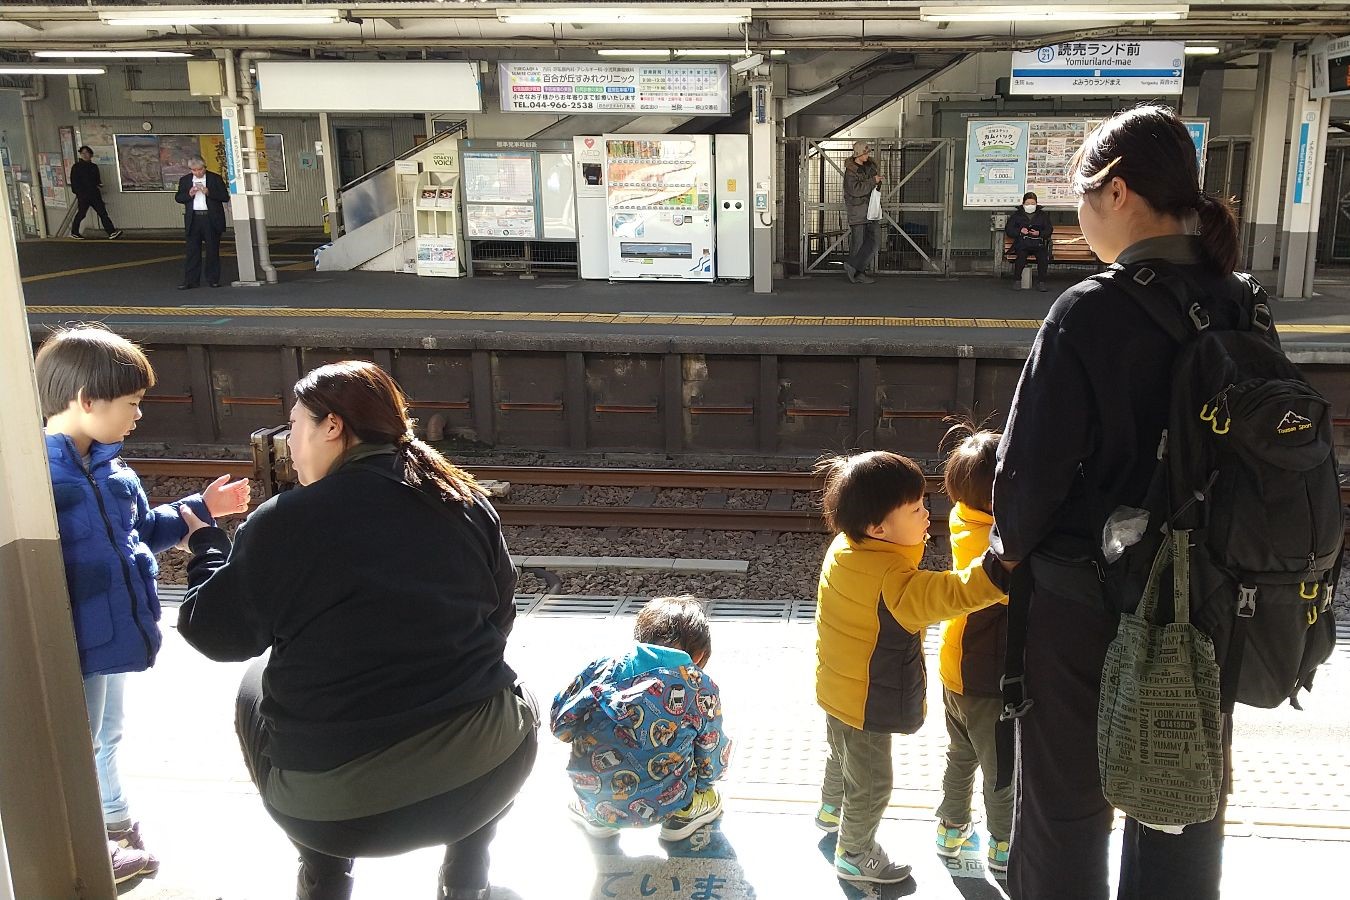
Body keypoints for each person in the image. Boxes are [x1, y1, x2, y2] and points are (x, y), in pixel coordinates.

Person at [991, 104, 1251, 900]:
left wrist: (1008, 553)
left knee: (1067, 805)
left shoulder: (1090, 310)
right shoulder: (1242, 299)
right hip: (1210, 602)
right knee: (1181, 799)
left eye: (1081, 194)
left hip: (1089, 608)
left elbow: (1025, 479)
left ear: (1118, 191)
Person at [173, 360, 536, 900]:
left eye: (295, 425)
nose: (290, 442)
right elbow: (500, 615)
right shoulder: (461, 500)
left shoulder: (283, 521)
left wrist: (207, 548)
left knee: (256, 680)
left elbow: (215, 633)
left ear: (333, 426)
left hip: (338, 817)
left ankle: (324, 879)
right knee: (502, 691)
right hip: (486, 779)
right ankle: (466, 881)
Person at [35, 324, 250, 884]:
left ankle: (113, 822)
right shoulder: (38, 481)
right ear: (87, 401)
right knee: (78, 743)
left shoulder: (112, 473)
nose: (137, 416)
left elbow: (140, 532)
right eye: (131, 404)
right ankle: (96, 836)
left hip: (109, 637)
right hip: (73, 642)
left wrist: (199, 507)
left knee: (105, 734)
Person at [812, 451, 1009, 886]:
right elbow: (958, 592)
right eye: (917, 508)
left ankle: (829, 810)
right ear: (878, 528)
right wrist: (1003, 569)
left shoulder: (845, 548)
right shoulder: (896, 584)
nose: (928, 514)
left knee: (841, 757)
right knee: (872, 784)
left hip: (835, 688)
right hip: (866, 699)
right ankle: (855, 852)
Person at [551, 595, 731, 843]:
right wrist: (707, 782)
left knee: (594, 783)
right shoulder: (701, 687)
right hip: (666, 800)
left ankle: (595, 815)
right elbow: (712, 749)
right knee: (705, 788)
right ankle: (683, 815)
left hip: (594, 793)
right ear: (699, 655)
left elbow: (561, 725)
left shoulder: (603, 668)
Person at [933, 422, 1012, 876]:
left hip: (954, 666)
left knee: (960, 754)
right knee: (999, 766)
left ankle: (950, 828)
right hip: (986, 677)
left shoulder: (962, 518)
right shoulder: (995, 548)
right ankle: (1003, 844)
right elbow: (1010, 589)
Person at [173, 156, 229, 289]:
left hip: (210, 218)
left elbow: (224, 196)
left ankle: (213, 279)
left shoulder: (215, 178)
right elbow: (178, 197)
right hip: (194, 219)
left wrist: (208, 192)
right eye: (194, 170)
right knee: (192, 251)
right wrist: (189, 194)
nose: (197, 172)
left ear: (205, 167)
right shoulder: (185, 180)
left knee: (212, 250)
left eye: (200, 169)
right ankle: (191, 281)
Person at [842, 139, 882, 284]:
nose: (867, 156)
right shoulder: (851, 172)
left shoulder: (868, 167)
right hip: (858, 212)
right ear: (858, 154)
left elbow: (870, 186)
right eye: (865, 153)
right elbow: (855, 190)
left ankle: (854, 268)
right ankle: (858, 273)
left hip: (870, 211)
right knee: (859, 244)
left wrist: (876, 181)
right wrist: (873, 181)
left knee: (874, 242)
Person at [69, 145, 122, 240]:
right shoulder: (76, 167)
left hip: (94, 194)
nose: (85, 155)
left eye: (87, 153)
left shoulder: (94, 166)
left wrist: (99, 184)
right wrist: (78, 193)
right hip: (83, 195)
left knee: (102, 212)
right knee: (82, 213)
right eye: (83, 153)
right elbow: (74, 182)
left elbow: (97, 180)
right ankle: (74, 232)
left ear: (91, 155)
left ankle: (111, 232)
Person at [1004, 191, 1052, 292]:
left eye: (1033, 203)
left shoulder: (1042, 215)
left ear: (1036, 204)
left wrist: (1039, 233)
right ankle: (1017, 280)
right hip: (1022, 243)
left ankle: (1041, 282)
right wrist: (1020, 231)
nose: (1030, 205)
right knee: (1021, 257)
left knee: (1043, 258)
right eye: (1028, 203)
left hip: (1037, 243)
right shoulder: (1016, 215)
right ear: (1023, 204)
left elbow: (1048, 229)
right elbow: (1009, 230)